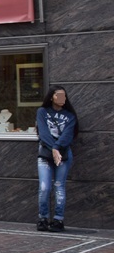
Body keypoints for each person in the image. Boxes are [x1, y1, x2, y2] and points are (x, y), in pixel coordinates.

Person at [35, 85, 78, 233]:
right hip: (45, 155)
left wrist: (56, 148)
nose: (62, 99)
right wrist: (52, 148)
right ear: (51, 97)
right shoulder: (42, 112)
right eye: (59, 95)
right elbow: (43, 132)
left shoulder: (70, 116)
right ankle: (43, 218)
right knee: (44, 187)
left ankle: (58, 219)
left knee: (59, 187)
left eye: (64, 96)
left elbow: (68, 135)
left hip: (63, 155)